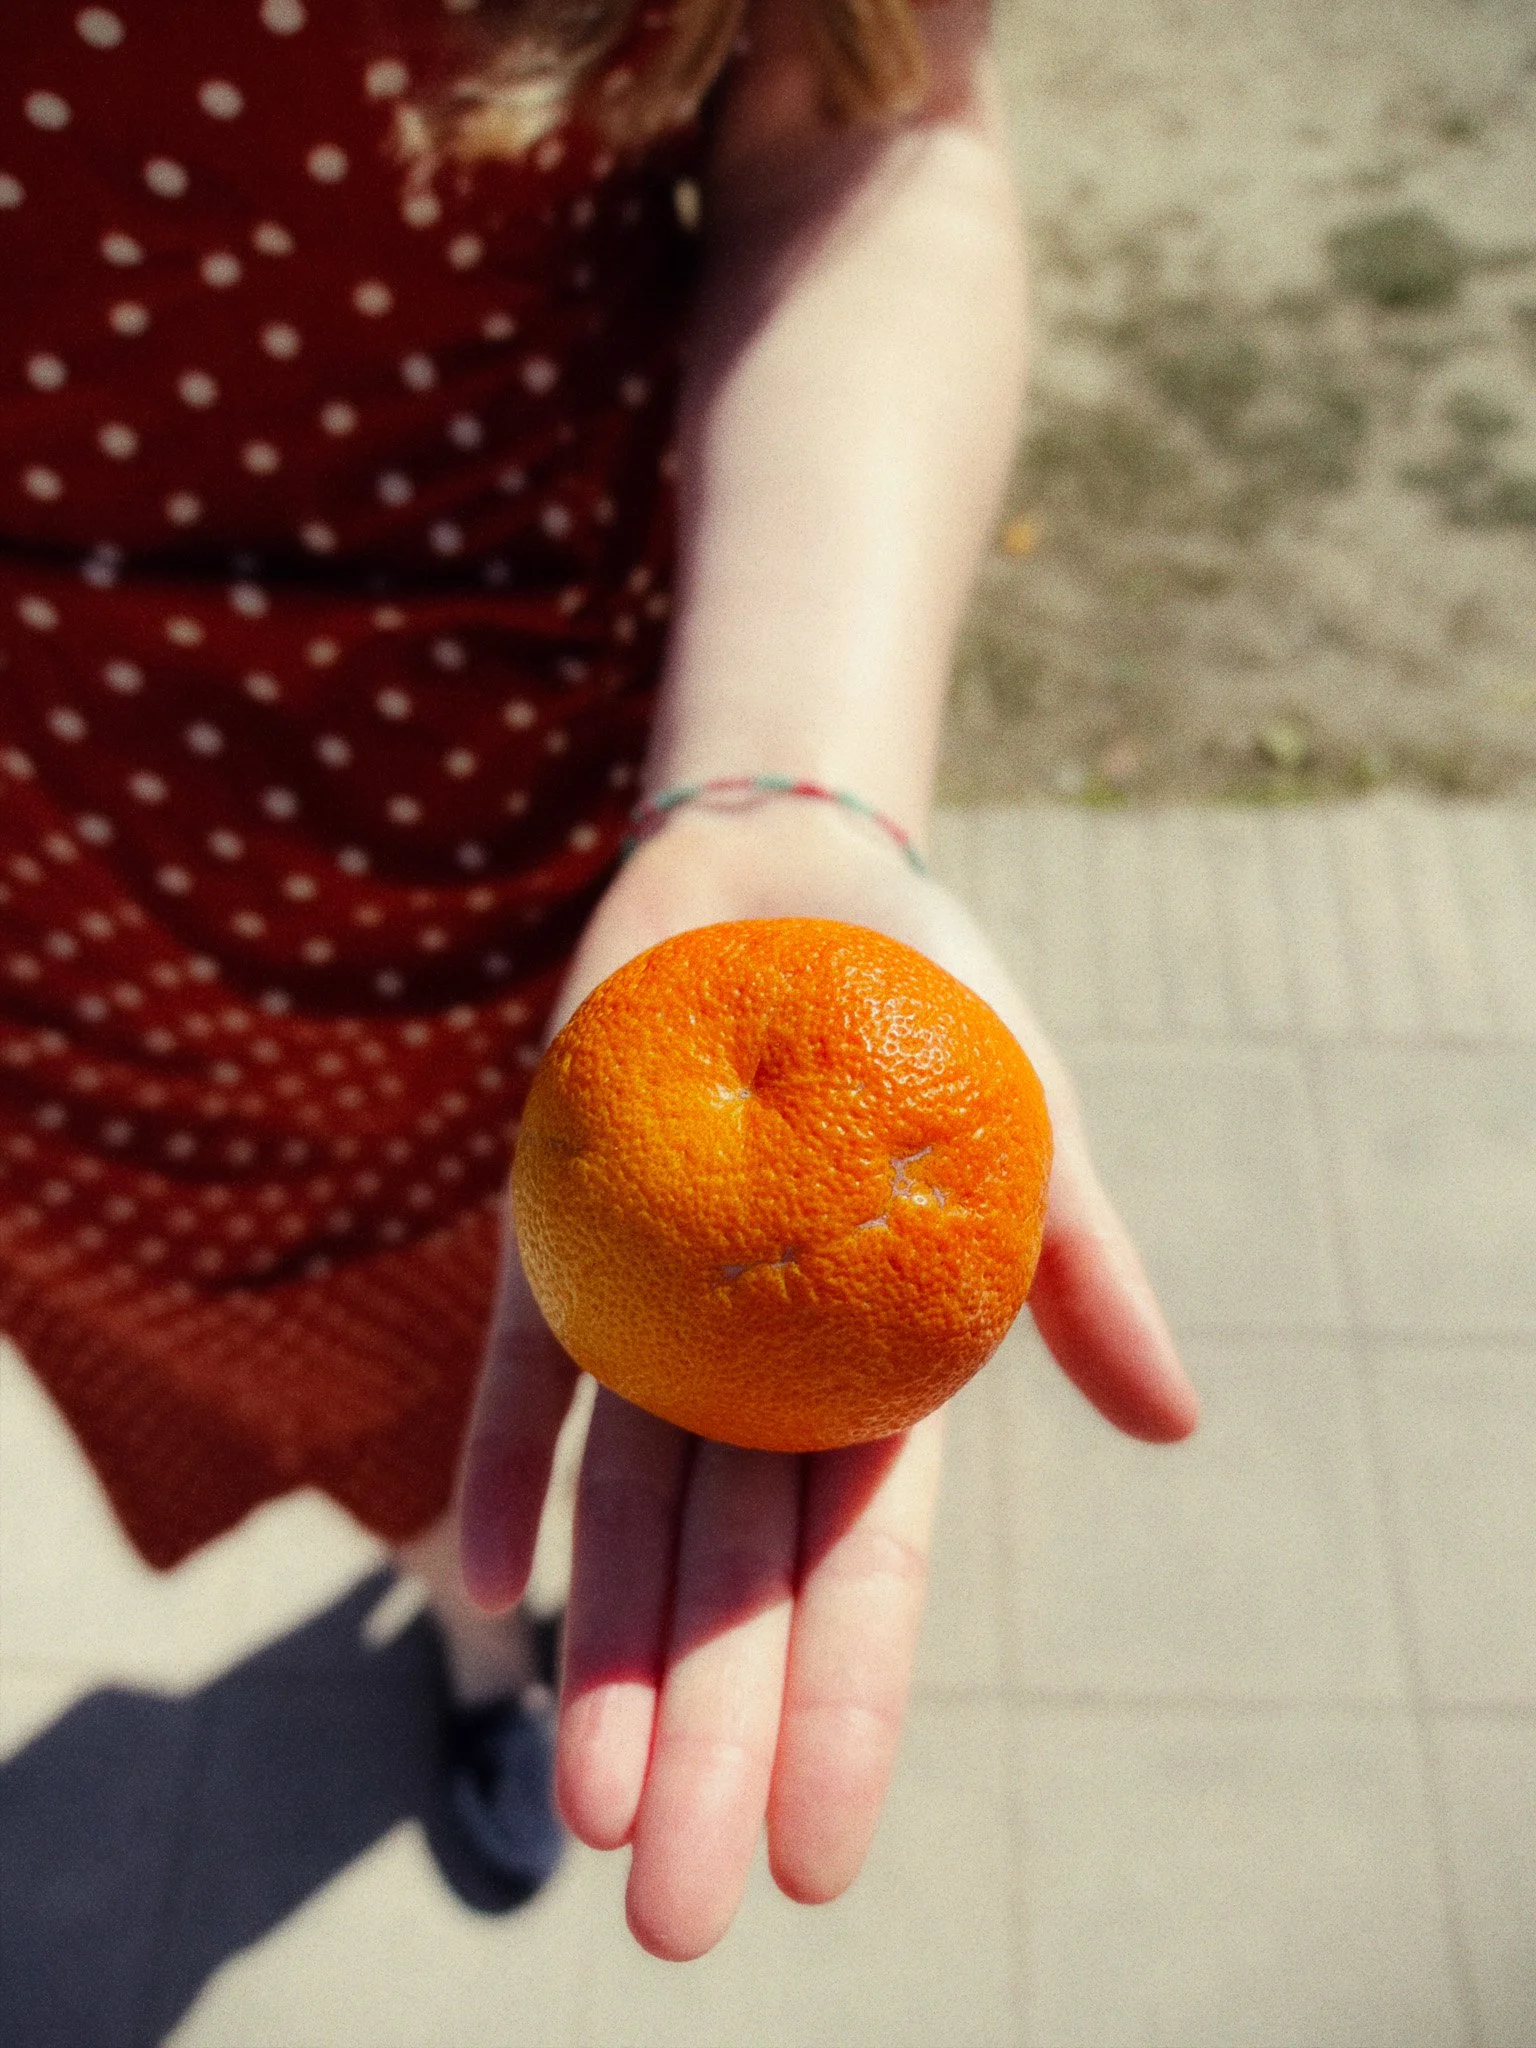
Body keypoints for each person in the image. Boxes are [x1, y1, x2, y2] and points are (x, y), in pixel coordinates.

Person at [1, 0, 1198, 1965]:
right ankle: (480, 1634)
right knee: (317, 1371)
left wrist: (788, 769)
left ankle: (480, 1606)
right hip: (41, 919)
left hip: (548, 809)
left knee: (532, 1301)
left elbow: (861, 116)